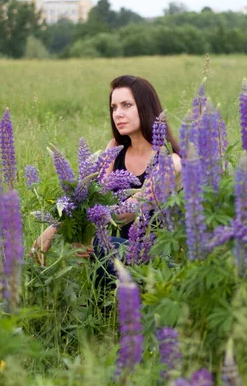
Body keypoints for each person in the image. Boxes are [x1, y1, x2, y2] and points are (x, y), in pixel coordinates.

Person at [30, 75, 181, 265]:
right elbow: (91, 195)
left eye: (126, 105)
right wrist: (63, 228)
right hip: (114, 249)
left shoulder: (171, 162)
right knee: (92, 247)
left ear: (145, 107)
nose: (118, 113)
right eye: (114, 107)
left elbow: (125, 214)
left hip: (154, 258)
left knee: (99, 246)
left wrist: (62, 229)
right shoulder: (115, 148)